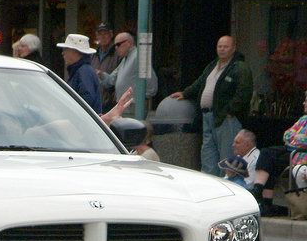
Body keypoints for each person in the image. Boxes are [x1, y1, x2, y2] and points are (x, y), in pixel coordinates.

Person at [170, 35, 253, 176]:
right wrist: (185, 93)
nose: (222, 49)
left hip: (226, 118)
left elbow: (244, 92)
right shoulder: (213, 65)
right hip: (208, 116)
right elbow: (200, 82)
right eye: (219, 46)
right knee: (208, 153)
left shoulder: (240, 67)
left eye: (226, 46)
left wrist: (230, 111)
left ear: (234, 48)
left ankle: (227, 184)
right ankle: (209, 183)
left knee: (226, 154)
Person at [249, 91, 307, 216]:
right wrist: (297, 138)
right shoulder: (303, 119)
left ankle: (264, 198)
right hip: (291, 150)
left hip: (301, 155)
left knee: (273, 161)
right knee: (267, 154)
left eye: (306, 100)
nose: (303, 103)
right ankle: (261, 194)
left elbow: (301, 140)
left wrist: (295, 138)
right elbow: (286, 135)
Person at [100, 32, 158, 118]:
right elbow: (111, 80)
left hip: (134, 109)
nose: (116, 48)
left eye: (118, 44)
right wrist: (100, 74)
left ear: (129, 43)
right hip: (124, 108)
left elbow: (152, 85)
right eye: (115, 45)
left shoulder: (138, 56)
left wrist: (137, 99)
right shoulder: (125, 59)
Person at [56, 33, 102, 114]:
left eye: (66, 49)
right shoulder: (82, 70)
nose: (63, 53)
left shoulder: (84, 72)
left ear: (75, 52)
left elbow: (86, 99)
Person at [91, 22, 119, 111]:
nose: (103, 37)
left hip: (111, 102)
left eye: (106, 34)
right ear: (96, 36)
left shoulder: (117, 54)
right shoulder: (92, 55)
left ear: (111, 35)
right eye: (100, 34)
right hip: (95, 101)